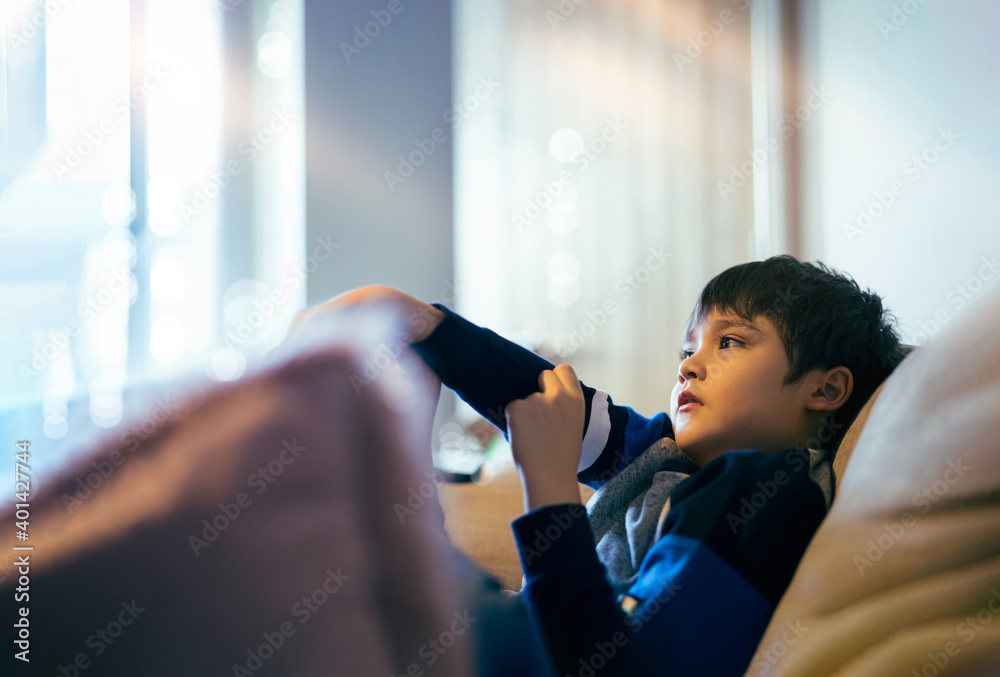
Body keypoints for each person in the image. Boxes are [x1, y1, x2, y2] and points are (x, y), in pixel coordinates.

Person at [296, 254, 906, 676]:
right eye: (688, 349)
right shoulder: (667, 456)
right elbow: (551, 401)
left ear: (826, 390)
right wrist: (430, 326)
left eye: (731, 342)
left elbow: (617, 667)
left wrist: (551, 490)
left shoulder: (764, 495)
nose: (688, 367)